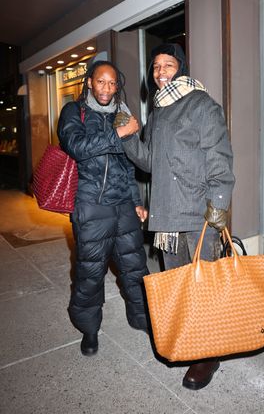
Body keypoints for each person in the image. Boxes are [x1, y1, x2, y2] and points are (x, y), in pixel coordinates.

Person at [114, 43, 235, 390]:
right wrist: (128, 136)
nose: (160, 71)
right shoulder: (159, 112)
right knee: (180, 288)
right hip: (168, 215)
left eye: (168, 65)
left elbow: (219, 156)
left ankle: (208, 355)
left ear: (180, 68)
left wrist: (219, 205)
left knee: (202, 289)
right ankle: (189, 341)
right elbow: (151, 162)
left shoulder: (201, 105)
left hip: (199, 214)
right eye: (155, 67)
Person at [57, 58, 149, 357]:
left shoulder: (121, 114)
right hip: (91, 205)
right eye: (101, 82)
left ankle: (142, 318)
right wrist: (119, 134)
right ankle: (90, 329)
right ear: (89, 82)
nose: (107, 88)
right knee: (90, 272)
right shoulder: (75, 111)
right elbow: (78, 148)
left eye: (112, 83)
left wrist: (136, 202)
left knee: (135, 267)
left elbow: (127, 166)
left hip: (123, 204)